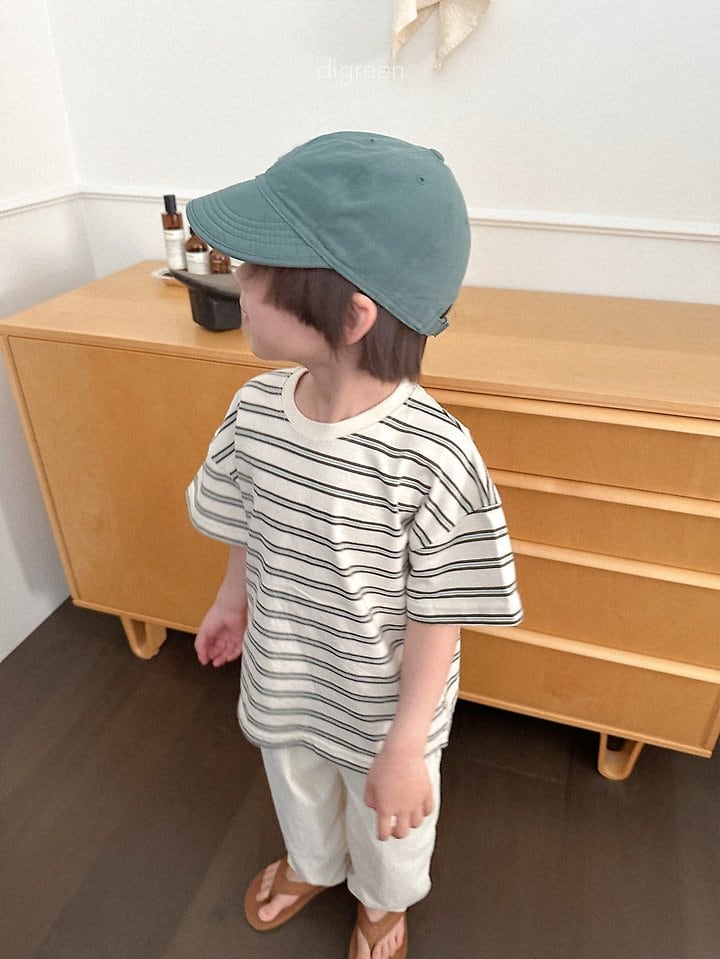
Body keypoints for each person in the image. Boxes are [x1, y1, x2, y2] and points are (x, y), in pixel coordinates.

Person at [185, 131, 523, 959]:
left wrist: (407, 741)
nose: (234, 277)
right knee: (296, 783)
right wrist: (232, 600)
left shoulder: (433, 456)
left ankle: (381, 900)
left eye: (255, 268)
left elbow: (440, 613)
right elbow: (248, 520)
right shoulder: (254, 412)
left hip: (384, 706)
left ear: (351, 314)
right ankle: (312, 863)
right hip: (286, 668)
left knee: (390, 822)